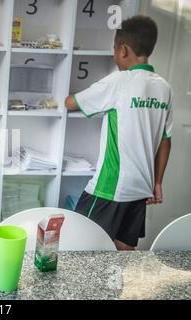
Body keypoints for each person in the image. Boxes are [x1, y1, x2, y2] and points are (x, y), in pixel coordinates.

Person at [65, 16, 172, 251]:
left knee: (76, 245)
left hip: (109, 188)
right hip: (141, 188)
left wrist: (70, 96)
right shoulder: (164, 87)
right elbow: (165, 140)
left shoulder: (119, 81)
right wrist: (158, 182)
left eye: (114, 49)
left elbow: (71, 103)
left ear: (122, 50)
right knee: (124, 251)